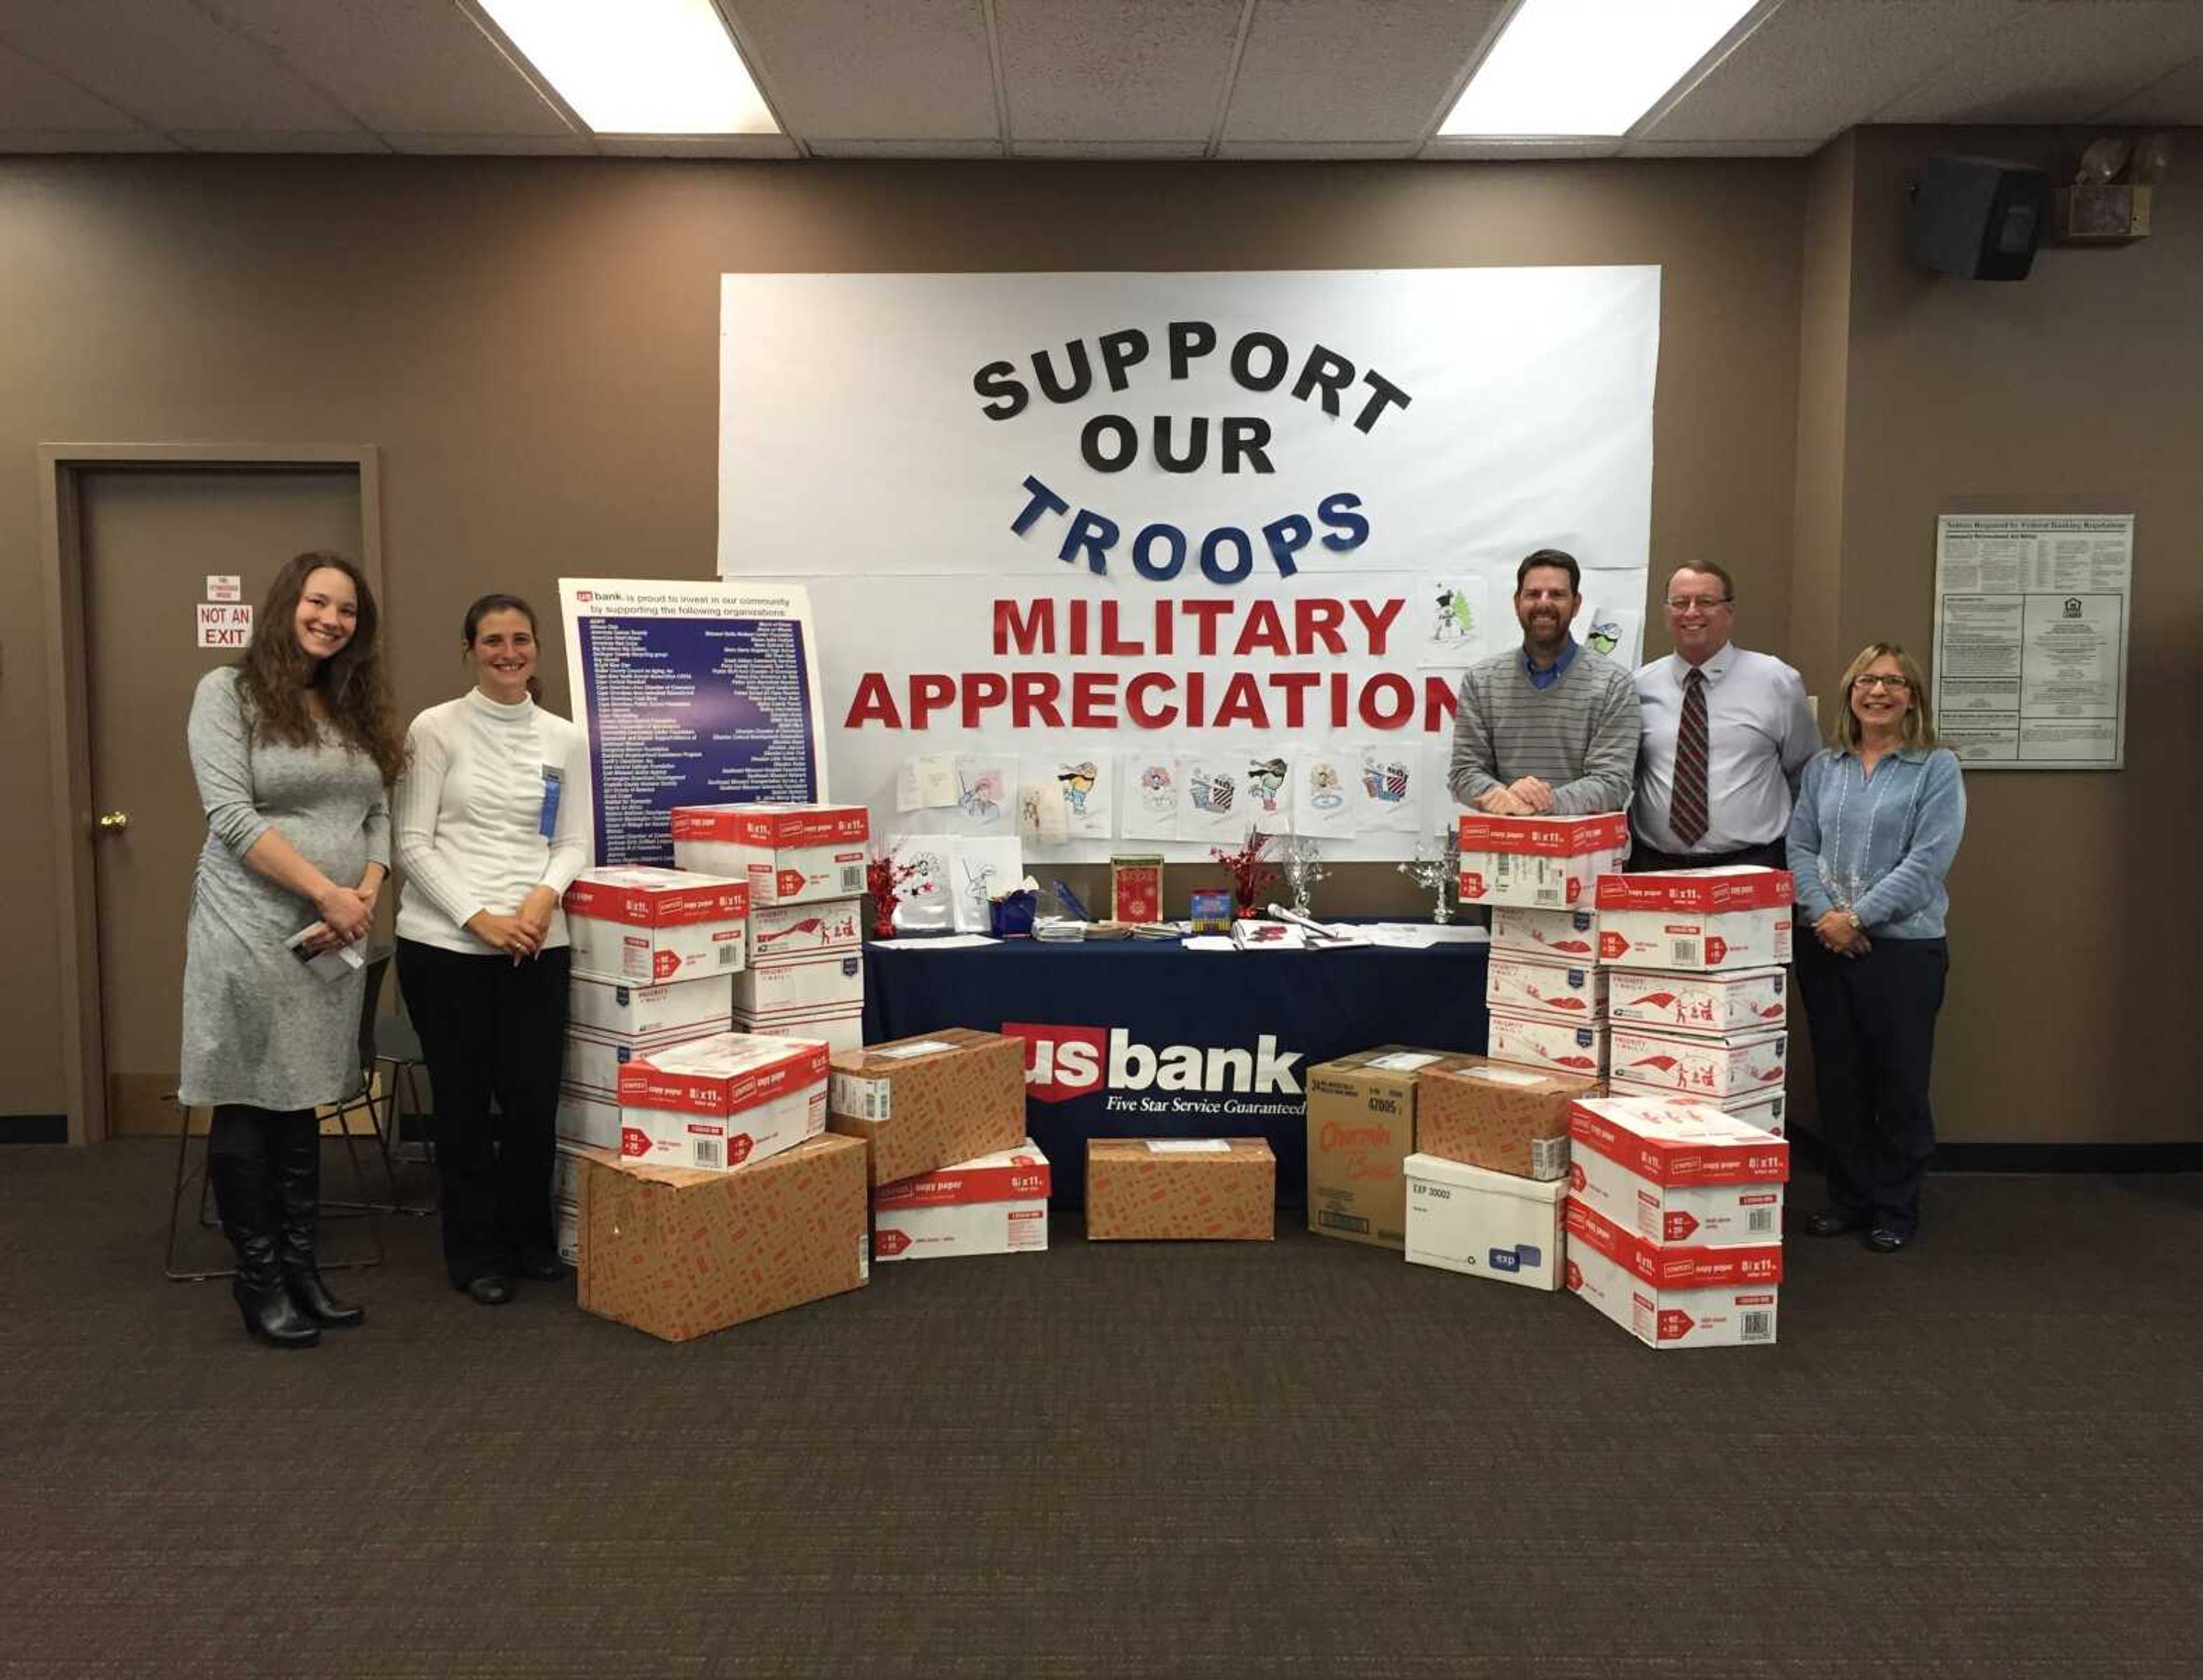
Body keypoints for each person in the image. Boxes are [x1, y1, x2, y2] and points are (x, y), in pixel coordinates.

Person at [180, 551, 404, 1348]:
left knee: (303, 1089)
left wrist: (366, 892)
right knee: (248, 1091)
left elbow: (380, 812)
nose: (331, 619)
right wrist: (326, 891)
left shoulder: (351, 705)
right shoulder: (228, 692)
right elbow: (232, 817)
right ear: (288, 604)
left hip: (332, 934)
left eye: (347, 610)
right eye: (319, 602)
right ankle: (260, 1276)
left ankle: (304, 1268)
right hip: (247, 923)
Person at [394, 593, 591, 1305]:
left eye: (520, 639)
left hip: (537, 944)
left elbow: (572, 840)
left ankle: (529, 1239)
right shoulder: (435, 728)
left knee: (535, 1103)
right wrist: (481, 919)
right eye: (492, 640)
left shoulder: (564, 737)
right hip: (447, 947)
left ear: (537, 647)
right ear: (469, 649)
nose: (508, 652)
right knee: (465, 1107)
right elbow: (411, 844)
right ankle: (475, 1254)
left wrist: (540, 902)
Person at [1786, 643, 1966, 1254]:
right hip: (1825, 944)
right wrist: (1824, 916)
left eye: (1893, 682)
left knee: (1899, 1081)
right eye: (1867, 680)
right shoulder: (1824, 767)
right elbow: (1800, 847)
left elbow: (1929, 859)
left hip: (1903, 951)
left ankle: (1896, 1204)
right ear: (1850, 693)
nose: (1879, 692)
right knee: (1840, 1079)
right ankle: (1849, 1196)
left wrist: (1858, 915)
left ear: (1912, 696)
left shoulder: (1935, 767)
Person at [1630, 562, 1820, 871]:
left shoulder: (1777, 681)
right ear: (1667, 613)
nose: (1691, 612)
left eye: (1705, 602)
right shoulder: (1639, 686)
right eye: (1680, 603)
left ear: (1729, 611)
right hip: (1656, 866)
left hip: (1753, 865)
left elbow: (1806, 776)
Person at [1447, 548, 1638, 816]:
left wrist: (1537, 802)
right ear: (1517, 603)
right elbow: (1464, 773)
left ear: (1577, 604)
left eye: (1557, 594)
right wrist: (1503, 796)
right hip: (1505, 849)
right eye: (1533, 594)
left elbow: (1612, 783)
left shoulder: (1615, 684)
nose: (1544, 603)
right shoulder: (1481, 681)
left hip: (1585, 852)